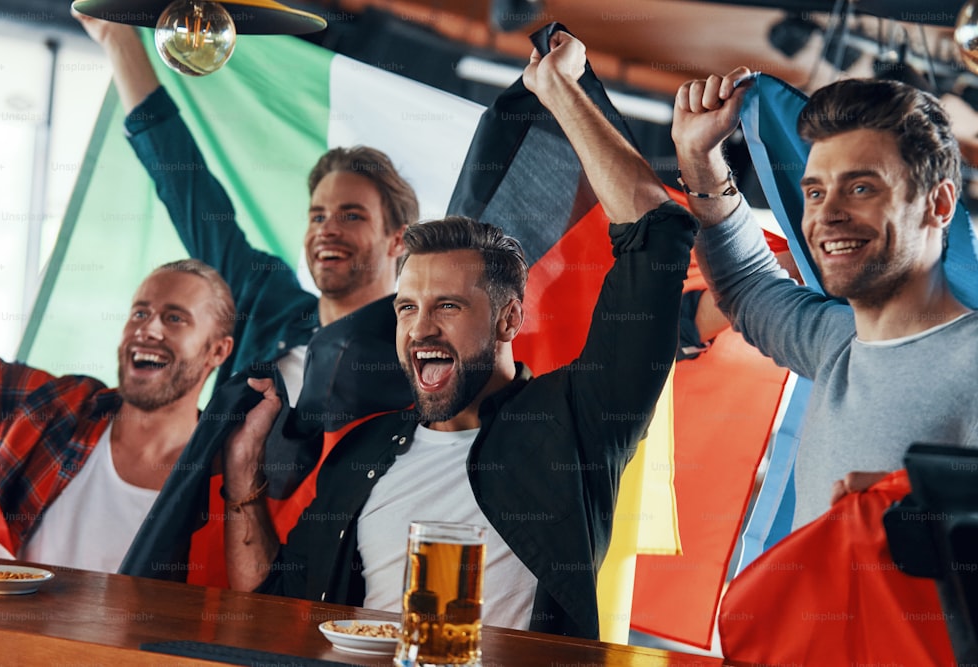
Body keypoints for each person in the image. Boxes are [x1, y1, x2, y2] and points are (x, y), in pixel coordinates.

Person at [217, 31, 697, 640]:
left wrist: (560, 90)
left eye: (448, 305)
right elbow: (271, 604)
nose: (420, 328)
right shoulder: (360, 455)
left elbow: (654, 234)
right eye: (407, 307)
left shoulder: (576, 424)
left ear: (508, 319)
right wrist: (241, 473)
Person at [672, 67, 978, 528]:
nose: (828, 214)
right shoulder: (836, 343)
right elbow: (745, 285)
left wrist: (930, 512)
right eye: (815, 192)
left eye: (860, 188)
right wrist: (700, 158)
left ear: (938, 204)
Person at [74, 13, 419, 406]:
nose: (327, 229)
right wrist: (113, 35)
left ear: (398, 240)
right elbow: (185, 184)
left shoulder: (411, 359)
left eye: (352, 215)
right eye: (318, 215)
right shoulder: (263, 302)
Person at [0, 259, 234, 572]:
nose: (148, 329)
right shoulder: (60, 407)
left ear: (217, 351)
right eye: (140, 313)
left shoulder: (222, 475)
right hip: (9, 622)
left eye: (174, 318)